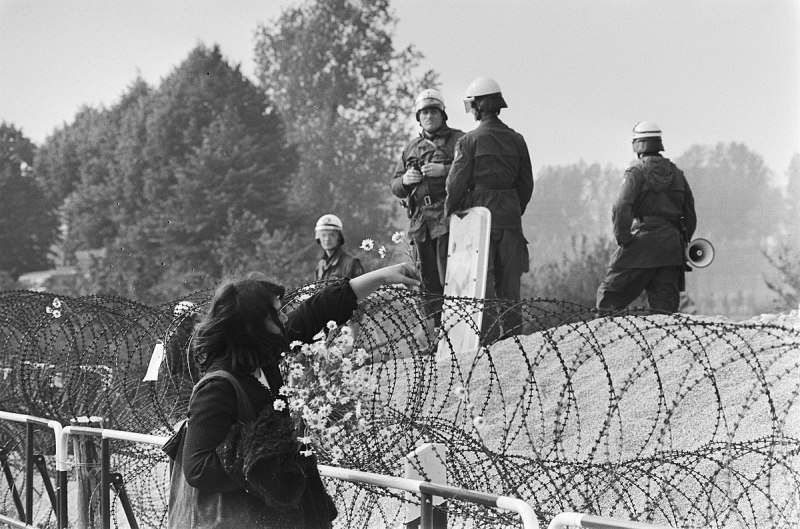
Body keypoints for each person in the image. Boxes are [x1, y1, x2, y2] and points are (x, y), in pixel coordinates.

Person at [169, 263, 420, 528]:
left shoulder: (262, 357)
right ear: (251, 326)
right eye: (276, 315)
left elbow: (315, 312)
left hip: (290, 510)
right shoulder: (218, 387)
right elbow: (196, 468)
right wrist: (264, 453)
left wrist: (381, 276)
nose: (285, 318)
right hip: (255, 517)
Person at [445, 77, 534, 342]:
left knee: (480, 283)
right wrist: (513, 208)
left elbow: (455, 183)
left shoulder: (469, 141)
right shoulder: (517, 140)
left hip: (478, 217)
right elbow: (526, 185)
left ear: (479, 106)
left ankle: (483, 343)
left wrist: (453, 211)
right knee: (510, 286)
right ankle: (511, 341)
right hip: (509, 217)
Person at [596, 121, 697, 313]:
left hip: (641, 243)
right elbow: (690, 214)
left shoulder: (636, 173)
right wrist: (681, 242)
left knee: (609, 298)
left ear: (637, 145)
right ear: (658, 143)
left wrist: (624, 238)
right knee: (665, 313)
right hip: (671, 249)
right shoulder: (677, 174)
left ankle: (610, 342)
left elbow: (621, 206)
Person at [391, 88, 464, 329]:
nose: (429, 116)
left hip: (447, 218)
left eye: (434, 111)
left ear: (443, 114)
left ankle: (455, 327)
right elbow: (395, 184)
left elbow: (471, 171)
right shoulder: (411, 148)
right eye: (424, 112)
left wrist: (446, 171)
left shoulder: (458, 140)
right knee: (426, 281)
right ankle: (434, 330)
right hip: (420, 223)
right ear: (418, 117)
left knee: (449, 277)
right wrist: (405, 180)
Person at [314, 213, 365, 281]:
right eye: (323, 235)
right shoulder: (320, 265)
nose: (327, 239)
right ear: (318, 237)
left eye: (332, 235)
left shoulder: (352, 263)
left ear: (339, 237)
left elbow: (362, 289)